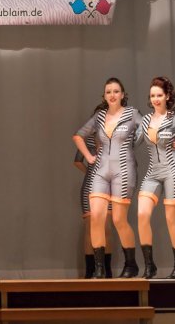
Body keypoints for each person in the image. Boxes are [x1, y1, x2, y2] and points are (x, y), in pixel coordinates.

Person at [73, 77, 141, 279]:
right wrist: (89, 157)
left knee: (119, 219)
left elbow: (148, 131)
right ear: (104, 96)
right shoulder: (99, 116)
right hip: (100, 171)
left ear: (122, 95)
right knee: (96, 218)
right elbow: (78, 136)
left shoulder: (132, 114)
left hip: (124, 170)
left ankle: (131, 264)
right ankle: (99, 268)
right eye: (108, 92)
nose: (112, 95)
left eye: (116, 91)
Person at [135, 76, 175, 279]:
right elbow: (133, 142)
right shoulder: (145, 120)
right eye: (152, 96)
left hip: (173, 169)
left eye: (159, 95)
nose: (155, 99)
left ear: (167, 96)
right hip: (153, 171)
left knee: (170, 219)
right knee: (142, 215)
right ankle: (149, 266)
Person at [73, 117, 115, 278]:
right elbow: (78, 161)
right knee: (90, 229)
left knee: (107, 228)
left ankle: (107, 270)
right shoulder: (88, 138)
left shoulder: (115, 137)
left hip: (110, 186)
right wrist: (90, 172)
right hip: (90, 186)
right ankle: (90, 271)